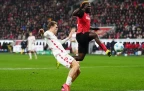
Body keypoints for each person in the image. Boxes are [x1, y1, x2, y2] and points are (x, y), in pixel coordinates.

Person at [40, 21, 80, 91]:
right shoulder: (48, 33)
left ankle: (65, 87)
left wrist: (68, 37)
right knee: (76, 66)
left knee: (78, 71)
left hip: (64, 54)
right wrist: (42, 32)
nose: (57, 29)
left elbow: (60, 42)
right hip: (60, 54)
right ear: (51, 27)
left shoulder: (53, 36)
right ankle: (66, 85)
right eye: (56, 27)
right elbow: (44, 35)